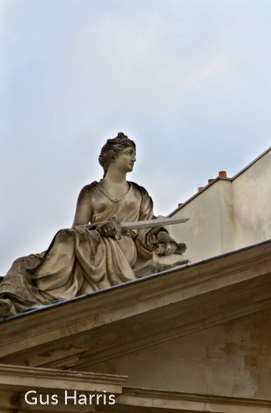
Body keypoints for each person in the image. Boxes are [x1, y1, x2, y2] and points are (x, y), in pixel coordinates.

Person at [0, 133, 188, 318]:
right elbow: (78, 229)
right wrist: (100, 228)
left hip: (122, 247)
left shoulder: (140, 194)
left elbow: (148, 226)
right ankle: (12, 300)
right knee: (25, 261)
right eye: (129, 153)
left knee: (69, 238)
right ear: (113, 156)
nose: (134, 158)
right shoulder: (90, 192)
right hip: (89, 244)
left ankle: (41, 291)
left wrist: (162, 234)